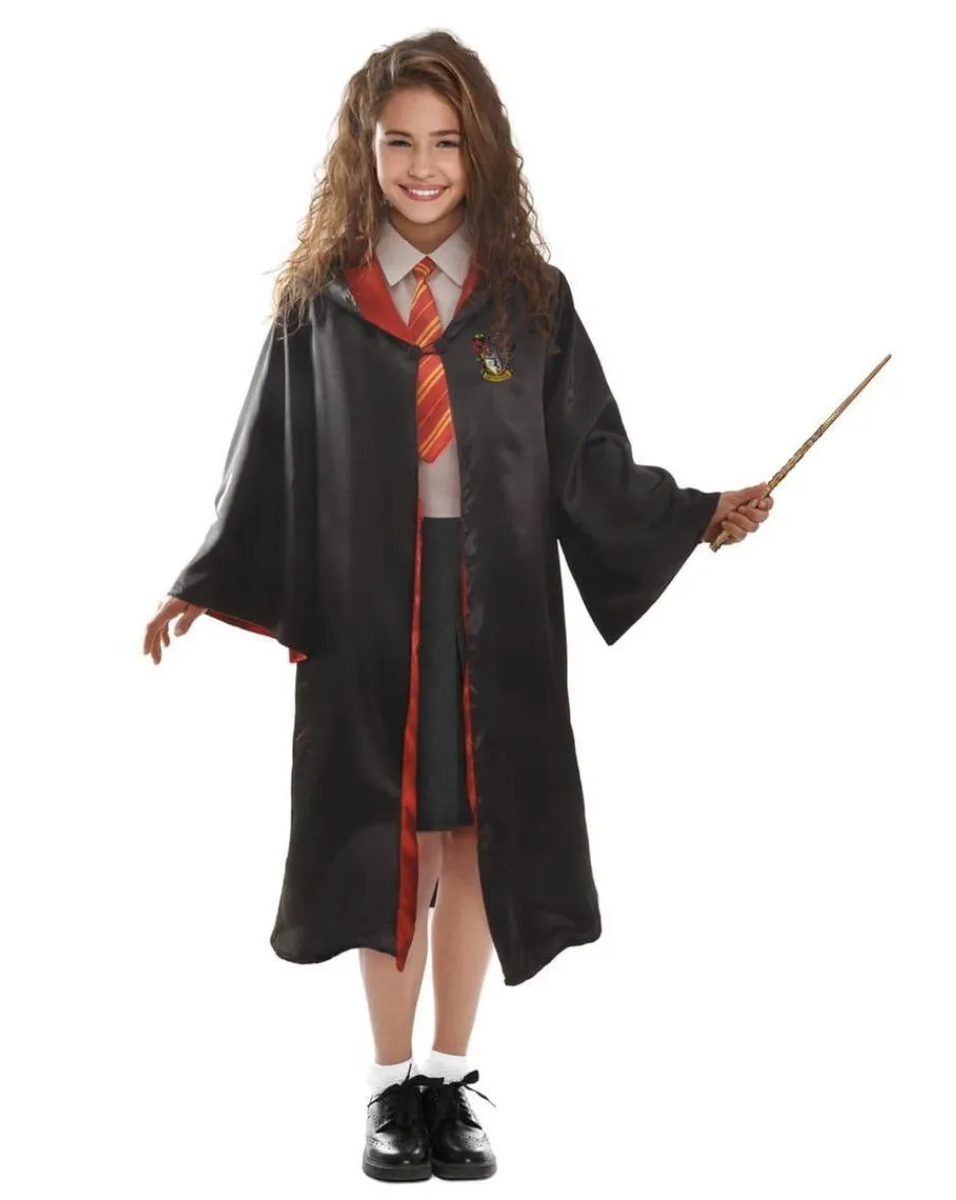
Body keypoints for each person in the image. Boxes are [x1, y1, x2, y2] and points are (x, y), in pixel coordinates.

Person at [142, 29, 773, 1184]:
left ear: (481, 152)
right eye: (400, 144)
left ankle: (450, 1075)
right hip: (366, 609)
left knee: (479, 831)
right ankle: (389, 1089)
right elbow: (266, 457)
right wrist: (205, 577)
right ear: (365, 151)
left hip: (499, 606)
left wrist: (693, 516)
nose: (424, 167)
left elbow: (586, 461)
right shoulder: (322, 305)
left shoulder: (529, 301)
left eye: (446, 142)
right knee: (385, 838)